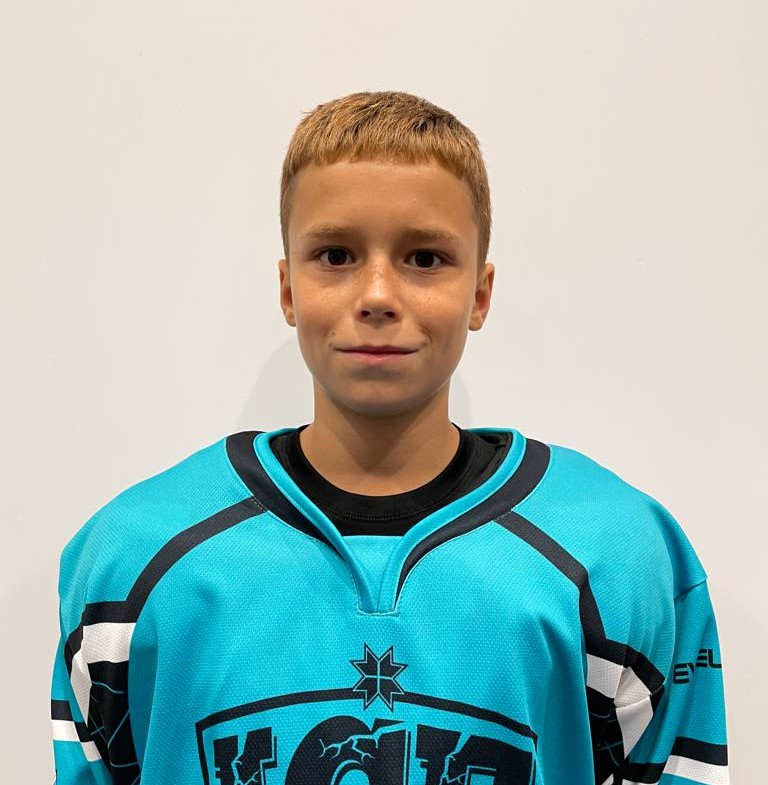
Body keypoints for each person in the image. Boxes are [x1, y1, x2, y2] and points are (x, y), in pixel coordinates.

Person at [50, 90, 729, 785]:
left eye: (425, 258)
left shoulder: (618, 555)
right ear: (287, 288)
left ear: (480, 294)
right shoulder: (132, 560)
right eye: (335, 254)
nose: (377, 294)